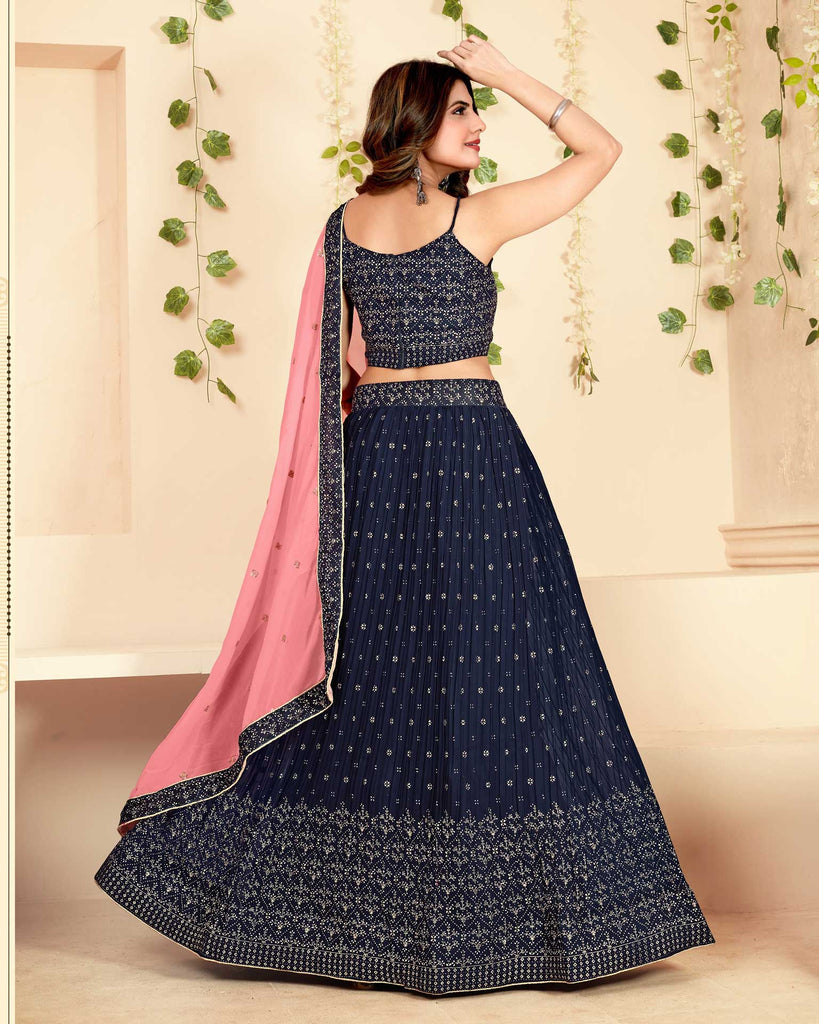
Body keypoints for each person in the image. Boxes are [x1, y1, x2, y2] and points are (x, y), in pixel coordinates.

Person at [94, 38, 715, 996]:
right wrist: (511, 74)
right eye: (462, 108)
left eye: (478, 106)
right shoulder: (477, 218)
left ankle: (364, 921)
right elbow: (600, 151)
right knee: (489, 666)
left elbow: (338, 367)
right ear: (416, 122)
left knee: (378, 674)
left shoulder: (342, 227)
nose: (478, 123)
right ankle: (480, 926)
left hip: (381, 456)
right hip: (468, 451)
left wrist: (489, 79)